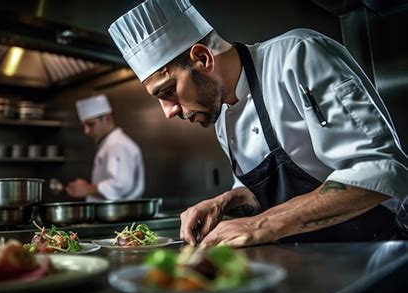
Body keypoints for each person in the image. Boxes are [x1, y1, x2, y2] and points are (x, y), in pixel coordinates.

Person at [108, 0, 408, 247]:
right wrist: (224, 201)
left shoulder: (297, 54)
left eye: (167, 91)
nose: (168, 112)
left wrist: (262, 224)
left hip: (375, 250)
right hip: (310, 259)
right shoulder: (223, 118)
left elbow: (381, 171)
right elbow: (263, 191)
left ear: (202, 58)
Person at [66, 94, 145, 202]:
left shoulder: (118, 145)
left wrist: (87, 189)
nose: (86, 131)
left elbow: (121, 184)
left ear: (107, 118)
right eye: (84, 126)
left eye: (91, 124)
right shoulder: (109, 144)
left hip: (120, 215)